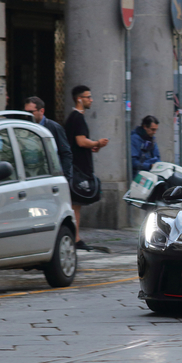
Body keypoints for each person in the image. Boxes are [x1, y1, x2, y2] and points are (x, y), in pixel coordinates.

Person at [64, 85, 109, 250]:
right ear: (79, 99)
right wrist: (97, 143)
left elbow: (81, 143)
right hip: (78, 169)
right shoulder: (77, 118)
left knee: (76, 205)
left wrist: (93, 146)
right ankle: (74, 238)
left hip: (76, 167)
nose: (91, 100)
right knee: (75, 205)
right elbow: (80, 141)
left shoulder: (75, 118)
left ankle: (74, 237)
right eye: (88, 97)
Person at [24, 96, 73, 181]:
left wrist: (64, 177)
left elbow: (65, 153)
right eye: (26, 112)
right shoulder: (24, 127)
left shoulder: (54, 128)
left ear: (41, 111)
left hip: (51, 177)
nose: (27, 115)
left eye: (31, 112)